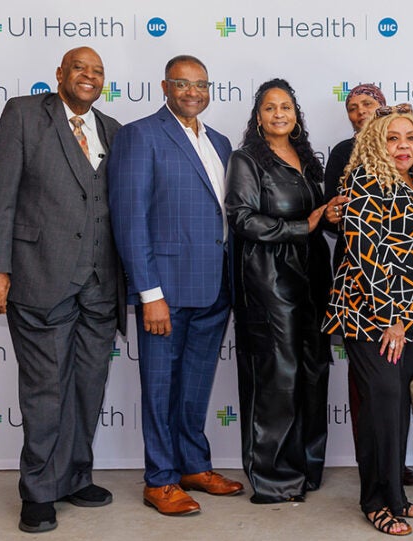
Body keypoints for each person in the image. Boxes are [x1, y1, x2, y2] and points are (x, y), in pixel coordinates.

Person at [0, 47, 122, 533]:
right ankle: (39, 490)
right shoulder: (25, 114)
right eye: (80, 69)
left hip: (99, 285)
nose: (89, 77)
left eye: (98, 72)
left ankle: (73, 476)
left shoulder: (112, 129)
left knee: (87, 387)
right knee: (45, 391)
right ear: (60, 75)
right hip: (39, 276)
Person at [108, 54, 244, 516]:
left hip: (213, 289)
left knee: (195, 387)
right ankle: (160, 479)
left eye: (201, 84)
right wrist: (149, 294)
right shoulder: (139, 135)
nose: (193, 92)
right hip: (164, 292)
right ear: (164, 87)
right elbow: (130, 221)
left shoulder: (221, 142)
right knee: (161, 388)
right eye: (182, 84)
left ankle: (192, 465)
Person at [224, 79, 347, 503]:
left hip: (313, 280)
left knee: (313, 374)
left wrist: (329, 215)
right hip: (268, 283)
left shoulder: (309, 159)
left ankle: (308, 469)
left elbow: (319, 216)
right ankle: (274, 478)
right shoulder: (246, 160)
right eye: (270, 107)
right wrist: (303, 226)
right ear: (258, 117)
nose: (279, 113)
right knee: (278, 378)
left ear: (297, 115)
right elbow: (241, 218)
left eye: (287, 107)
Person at [321, 104, 413, 536]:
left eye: (409, 138)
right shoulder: (364, 181)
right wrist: (392, 318)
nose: (403, 146)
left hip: (409, 317)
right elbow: (369, 258)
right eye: (393, 138)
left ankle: (395, 492)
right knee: (381, 408)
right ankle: (375, 500)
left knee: (395, 410)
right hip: (370, 316)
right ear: (376, 142)